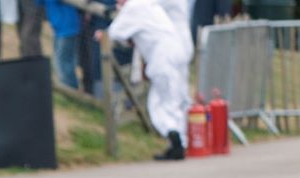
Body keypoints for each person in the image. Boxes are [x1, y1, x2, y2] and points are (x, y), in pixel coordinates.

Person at [101, 0, 191, 160]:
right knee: (174, 99)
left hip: (162, 57)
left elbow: (115, 32)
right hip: (177, 50)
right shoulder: (149, 4)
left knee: (158, 103)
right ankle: (179, 142)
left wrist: (103, 33)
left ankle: (174, 135)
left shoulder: (133, 7)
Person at [42, 0, 81, 89]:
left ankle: (70, 92)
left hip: (68, 27)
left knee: (64, 63)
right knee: (59, 62)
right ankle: (67, 91)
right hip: (59, 29)